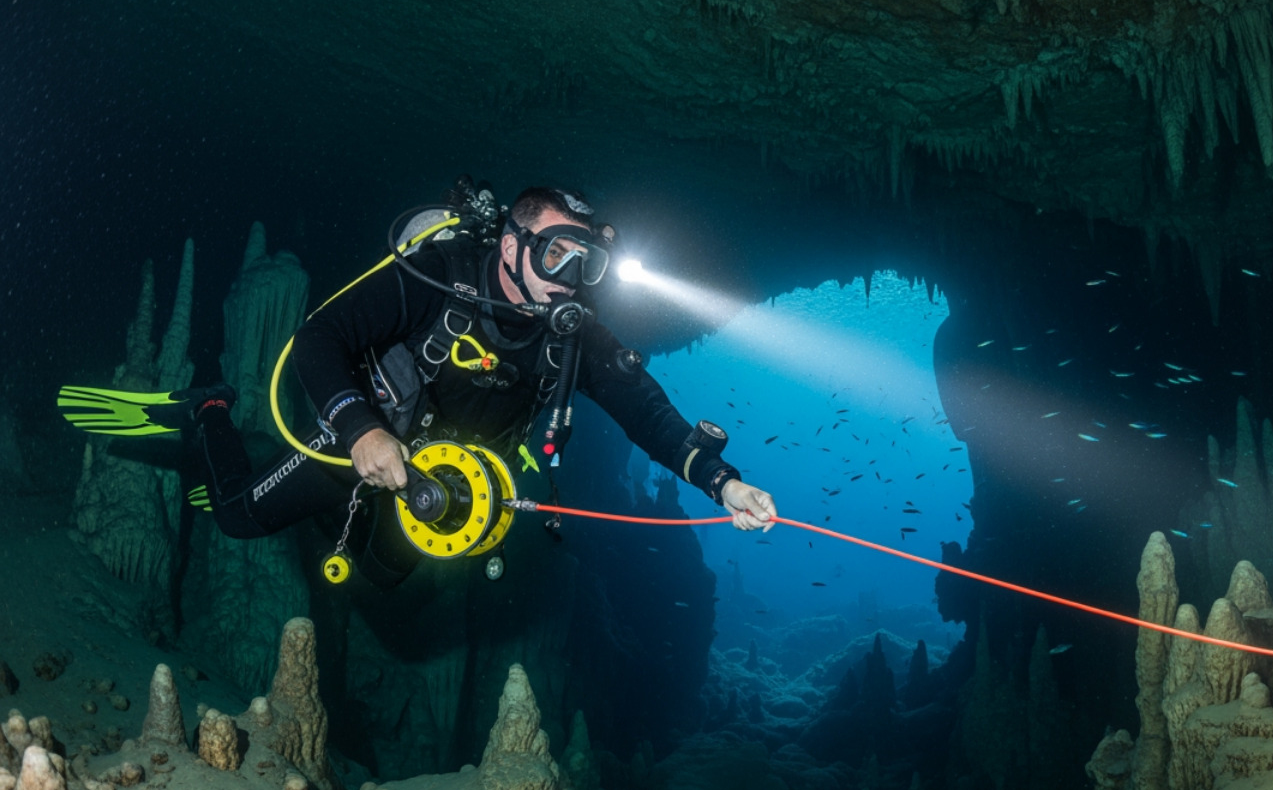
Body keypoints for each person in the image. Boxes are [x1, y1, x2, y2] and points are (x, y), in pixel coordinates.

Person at [61, 183, 776, 587]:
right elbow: (318, 339)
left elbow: (645, 413)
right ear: (511, 247)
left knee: (384, 576)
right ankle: (213, 408)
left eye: (587, 265)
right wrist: (359, 430)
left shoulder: (573, 336)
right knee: (239, 517)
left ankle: (334, 513)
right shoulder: (439, 276)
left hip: (444, 480)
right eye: (558, 255)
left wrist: (723, 484)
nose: (571, 280)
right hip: (366, 436)